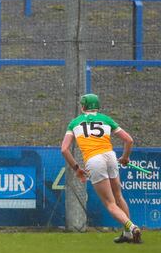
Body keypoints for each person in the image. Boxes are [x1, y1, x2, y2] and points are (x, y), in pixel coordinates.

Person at [60, 93, 142, 244]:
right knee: (118, 197)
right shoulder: (106, 119)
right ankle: (128, 234)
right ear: (97, 106)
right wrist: (125, 157)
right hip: (110, 156)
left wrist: (77, 168)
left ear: (83, 106)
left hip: (94, 160)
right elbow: (129, 140)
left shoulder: (74, 123)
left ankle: (132, 227)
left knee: (110, 204)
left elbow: (64, 149)